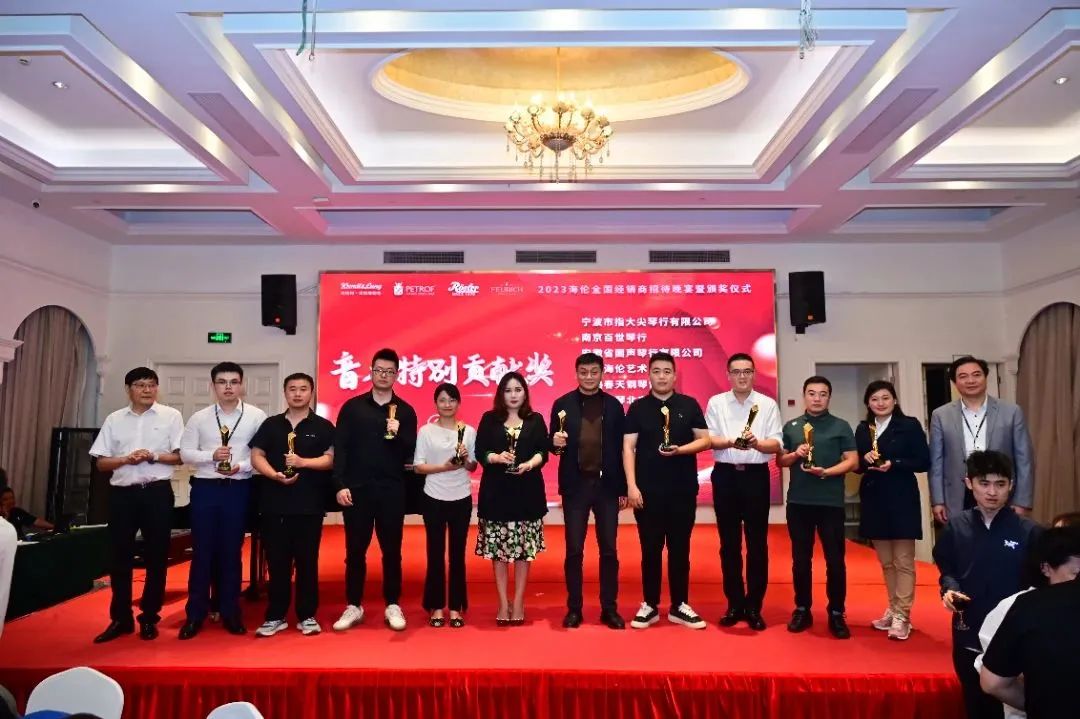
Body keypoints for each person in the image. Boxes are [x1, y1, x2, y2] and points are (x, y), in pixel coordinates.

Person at [933, 450, 1041, 719]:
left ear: (1011, 485)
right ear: (969, 483)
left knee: (1015, 710)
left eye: (1000, 484)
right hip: (968, 631)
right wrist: (949, 589)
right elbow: (947, 569)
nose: (992, 492)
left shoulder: (1029, 532)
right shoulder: (955, 527)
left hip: (1015, 636)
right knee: (975, 704)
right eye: (984, 483)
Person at [87, 367, 184, 643]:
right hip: (122, 495)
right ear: (128, 389)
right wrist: (125, 460)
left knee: (157, 557)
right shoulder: (115, 419)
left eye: (151, 385)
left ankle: (149, 617)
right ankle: (121, 618)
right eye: (141, 385)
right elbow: (101, 462)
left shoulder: (171, 416)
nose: (147, 390)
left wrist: (153, 456)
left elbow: (180, 457)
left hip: (156, 493)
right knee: (119, 557)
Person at [178, 362, 268, 639]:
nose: (228, 387)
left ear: (242, 385)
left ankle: (231, 612)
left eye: (233, 382)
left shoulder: (256, 416)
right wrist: (211, 456)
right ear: (213, 386)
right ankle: (195, 614)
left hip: (238, 488)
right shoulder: (199, 418)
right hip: (205, 488)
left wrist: (240, 466)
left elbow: (261, 454)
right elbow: (185, 453)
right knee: (202, 552)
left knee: (231, 552)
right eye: (222, 382)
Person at [332, 348, 418, 633]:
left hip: (392, 490)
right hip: (357, 490)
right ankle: (353, 605)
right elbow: (341, 448)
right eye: (379, 370)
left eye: (389, 372)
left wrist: (399, 432)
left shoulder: (406, 411)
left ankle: (392, 604)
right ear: (370, 372)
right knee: (355, 551)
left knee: (392, 551)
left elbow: (411, 451)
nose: (383, 376)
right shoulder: (352, 408)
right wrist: (339, 484)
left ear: (397, 375)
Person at [624, 351, 711, 631]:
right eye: (656, 371)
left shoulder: (689, 404)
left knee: (679, 549)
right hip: (647, 493)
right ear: (649, 375)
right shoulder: (637, 408)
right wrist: (632, 486)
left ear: (674, 376)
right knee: (650, 550)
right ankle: (649, 605)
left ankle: (679, 605)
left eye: (667, 371)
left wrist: (680, 450)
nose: (661, 376)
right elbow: (628, 447)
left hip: (682, 491)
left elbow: (705, 440)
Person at [249, 373, 335, 638]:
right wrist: (273, 474)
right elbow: (256, 455)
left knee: (307, 562)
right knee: (277, 563)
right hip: (274, 504)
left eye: (303, 389)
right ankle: (275, 615)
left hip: (309, 505)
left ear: (311, 392)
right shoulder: (271, 424)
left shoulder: (323, 426)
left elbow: (331, 459)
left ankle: (307, 615)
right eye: (292, 389)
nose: (298, 394)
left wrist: (303, 463)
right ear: (285, 393)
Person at [704, 352, 782, 631]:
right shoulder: (716, 403)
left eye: (747, 371)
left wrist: (757, 443)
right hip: (726, 476)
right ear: (728, 375)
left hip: (755, 477)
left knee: (757, 544)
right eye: (736, 372)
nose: (742, 376)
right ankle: (734, 604)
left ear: (754, 374)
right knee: (729, 544)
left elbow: (776, 443)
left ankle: (754, 606)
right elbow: (708, 439)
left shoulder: (767, 404)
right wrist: (730, 441)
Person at [549, 352, 627, 630]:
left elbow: (622, 449)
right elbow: (553, 445)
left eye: (594, 372)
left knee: (609, 550)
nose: (589, 377)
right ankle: (574, 609)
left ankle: (609, 608)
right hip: (576, 486)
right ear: (576, 373)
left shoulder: (614, 406)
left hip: (607, 487)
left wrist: (623, 487)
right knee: (574, 550)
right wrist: (554, 442)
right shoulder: (562, 404)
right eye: (584, 372)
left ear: (602, 373)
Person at [777, 375, 858, 639]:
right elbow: (781, 461)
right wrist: (795, 454)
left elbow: (853, 461)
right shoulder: (792, 426)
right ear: (804, 396)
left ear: (829, 397)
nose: (817, 398)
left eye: (823, 394)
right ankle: (802, 609)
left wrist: (827, 472)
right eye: (812, 393)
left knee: (835, 561)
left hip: (830, 503)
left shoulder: (841, 426)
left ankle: (836, 612)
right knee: (801, 560)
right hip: (799, 503)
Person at [974, 520, 1080, 719]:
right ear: (1046, 568)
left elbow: (993, 682)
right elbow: (992, 677)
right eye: (1075, 574)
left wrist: (1036, 702)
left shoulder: (1028, 605)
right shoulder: (1016, 605)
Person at [854, 380, 930, 641]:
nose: (880, 403)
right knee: (886, 562)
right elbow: (856, 465)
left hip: (901, 497)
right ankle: (893, 607)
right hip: (874, 498)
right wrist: (863, 460)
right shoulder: (863, 428)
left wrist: (894, 463)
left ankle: (903, 615)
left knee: (903, 561)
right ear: (868, 403)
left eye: (885, 398)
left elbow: (923, 461)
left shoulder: (909, 425)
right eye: (874, 399)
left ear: (894, 400)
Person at [475, 371, 548, 626]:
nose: (513, 395)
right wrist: (495, 457)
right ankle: (502, 602)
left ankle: (518, 601)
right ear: (501, 394)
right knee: (499, 553)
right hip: (496, 494)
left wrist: (530, 464)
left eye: (518, 390)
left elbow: (543, 451)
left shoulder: (535, 420)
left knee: (522, 552)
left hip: (527, 494)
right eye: (508, 390)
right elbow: (479, 451)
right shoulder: (489, 419)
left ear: (525, 393)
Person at [930, 356, 1034, 524]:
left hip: (1000, 491)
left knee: (1001, 537)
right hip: (959, 494)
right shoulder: (941, 415)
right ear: (955, 382)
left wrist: (1022, 501)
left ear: (985, 377)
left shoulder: (1011, 412)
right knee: (963, 539)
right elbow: (936, 462)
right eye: (963, 376)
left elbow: (1024, 460)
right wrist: (938, 500)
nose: (971, 380)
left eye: (976, 375)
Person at [412, 383, 477, 628]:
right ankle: (436, 606)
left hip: (461, 497)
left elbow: (473, 466)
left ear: (458, 403)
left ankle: (457, 607)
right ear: (435, 404)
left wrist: (466, 459)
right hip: (433, 497)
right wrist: (445, 467)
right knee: (435, 553)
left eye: (452, 400)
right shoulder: (426, 431)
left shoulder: (468, 431)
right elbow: (419, 467)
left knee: (458, 555)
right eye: (442, 400)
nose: (447, 404)